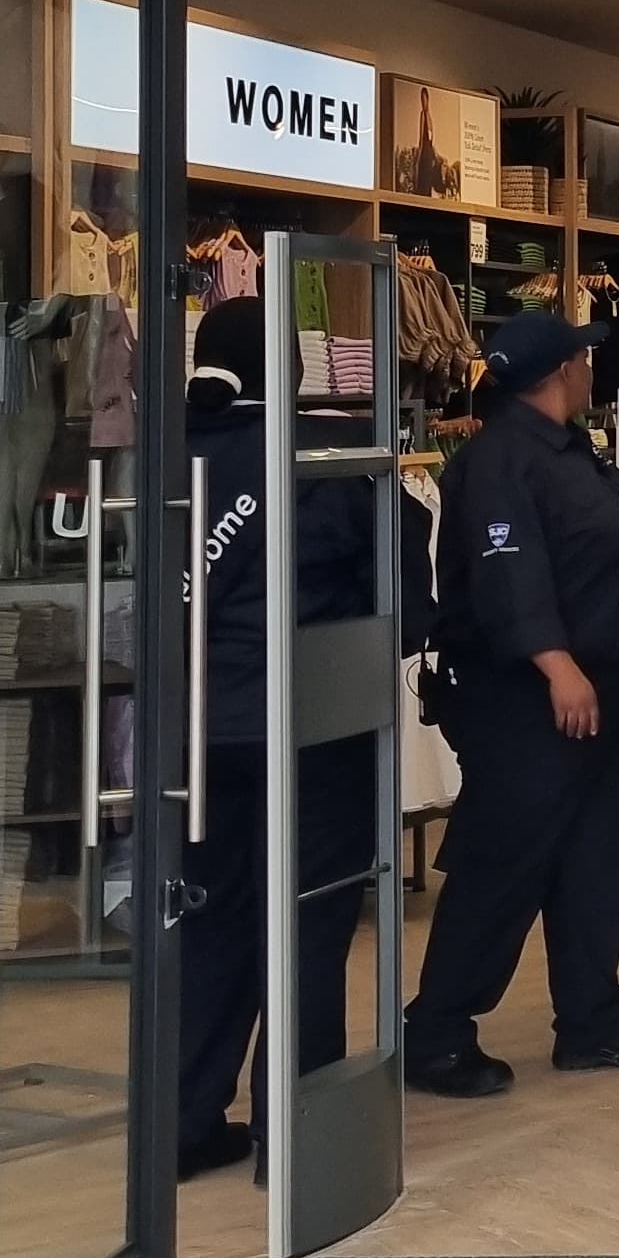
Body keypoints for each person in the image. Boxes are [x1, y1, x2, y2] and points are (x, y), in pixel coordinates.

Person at [176, 296, 433, 1177]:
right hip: (307, 731)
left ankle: (184, 1122)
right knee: (306, 922)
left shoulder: (163, 452)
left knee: (207, 922)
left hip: (191, 737)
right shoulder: (327, 455)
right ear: (290, 367)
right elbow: (406, 601)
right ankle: (291, 1134)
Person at [405, 309, 619, 1097]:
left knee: (592, 858)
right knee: (504, 861)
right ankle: (437, 1033)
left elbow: (581, 544)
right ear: (563, 372)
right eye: (584, 359)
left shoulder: (567, 448)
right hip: (532, 702)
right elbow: (508, 576)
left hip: (608, 690)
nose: (592, 368)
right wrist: (558, 666)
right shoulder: (499, 460)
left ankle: (592, 1017)